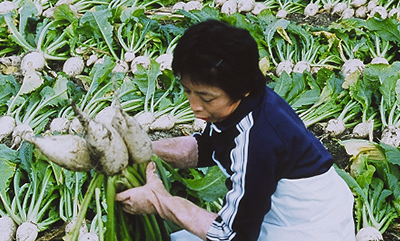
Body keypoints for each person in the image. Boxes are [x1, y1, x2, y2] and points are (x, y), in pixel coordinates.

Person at [115, 19, 355, 241]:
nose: (194, 106)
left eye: (206, 98)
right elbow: (206, 148)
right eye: (188, 91)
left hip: (309, 231)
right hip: (283, 219)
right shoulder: (244, 105)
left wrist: (159, 201)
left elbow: (232, 236)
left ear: (243, 89)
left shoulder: (258, 141)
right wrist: (142, 150)